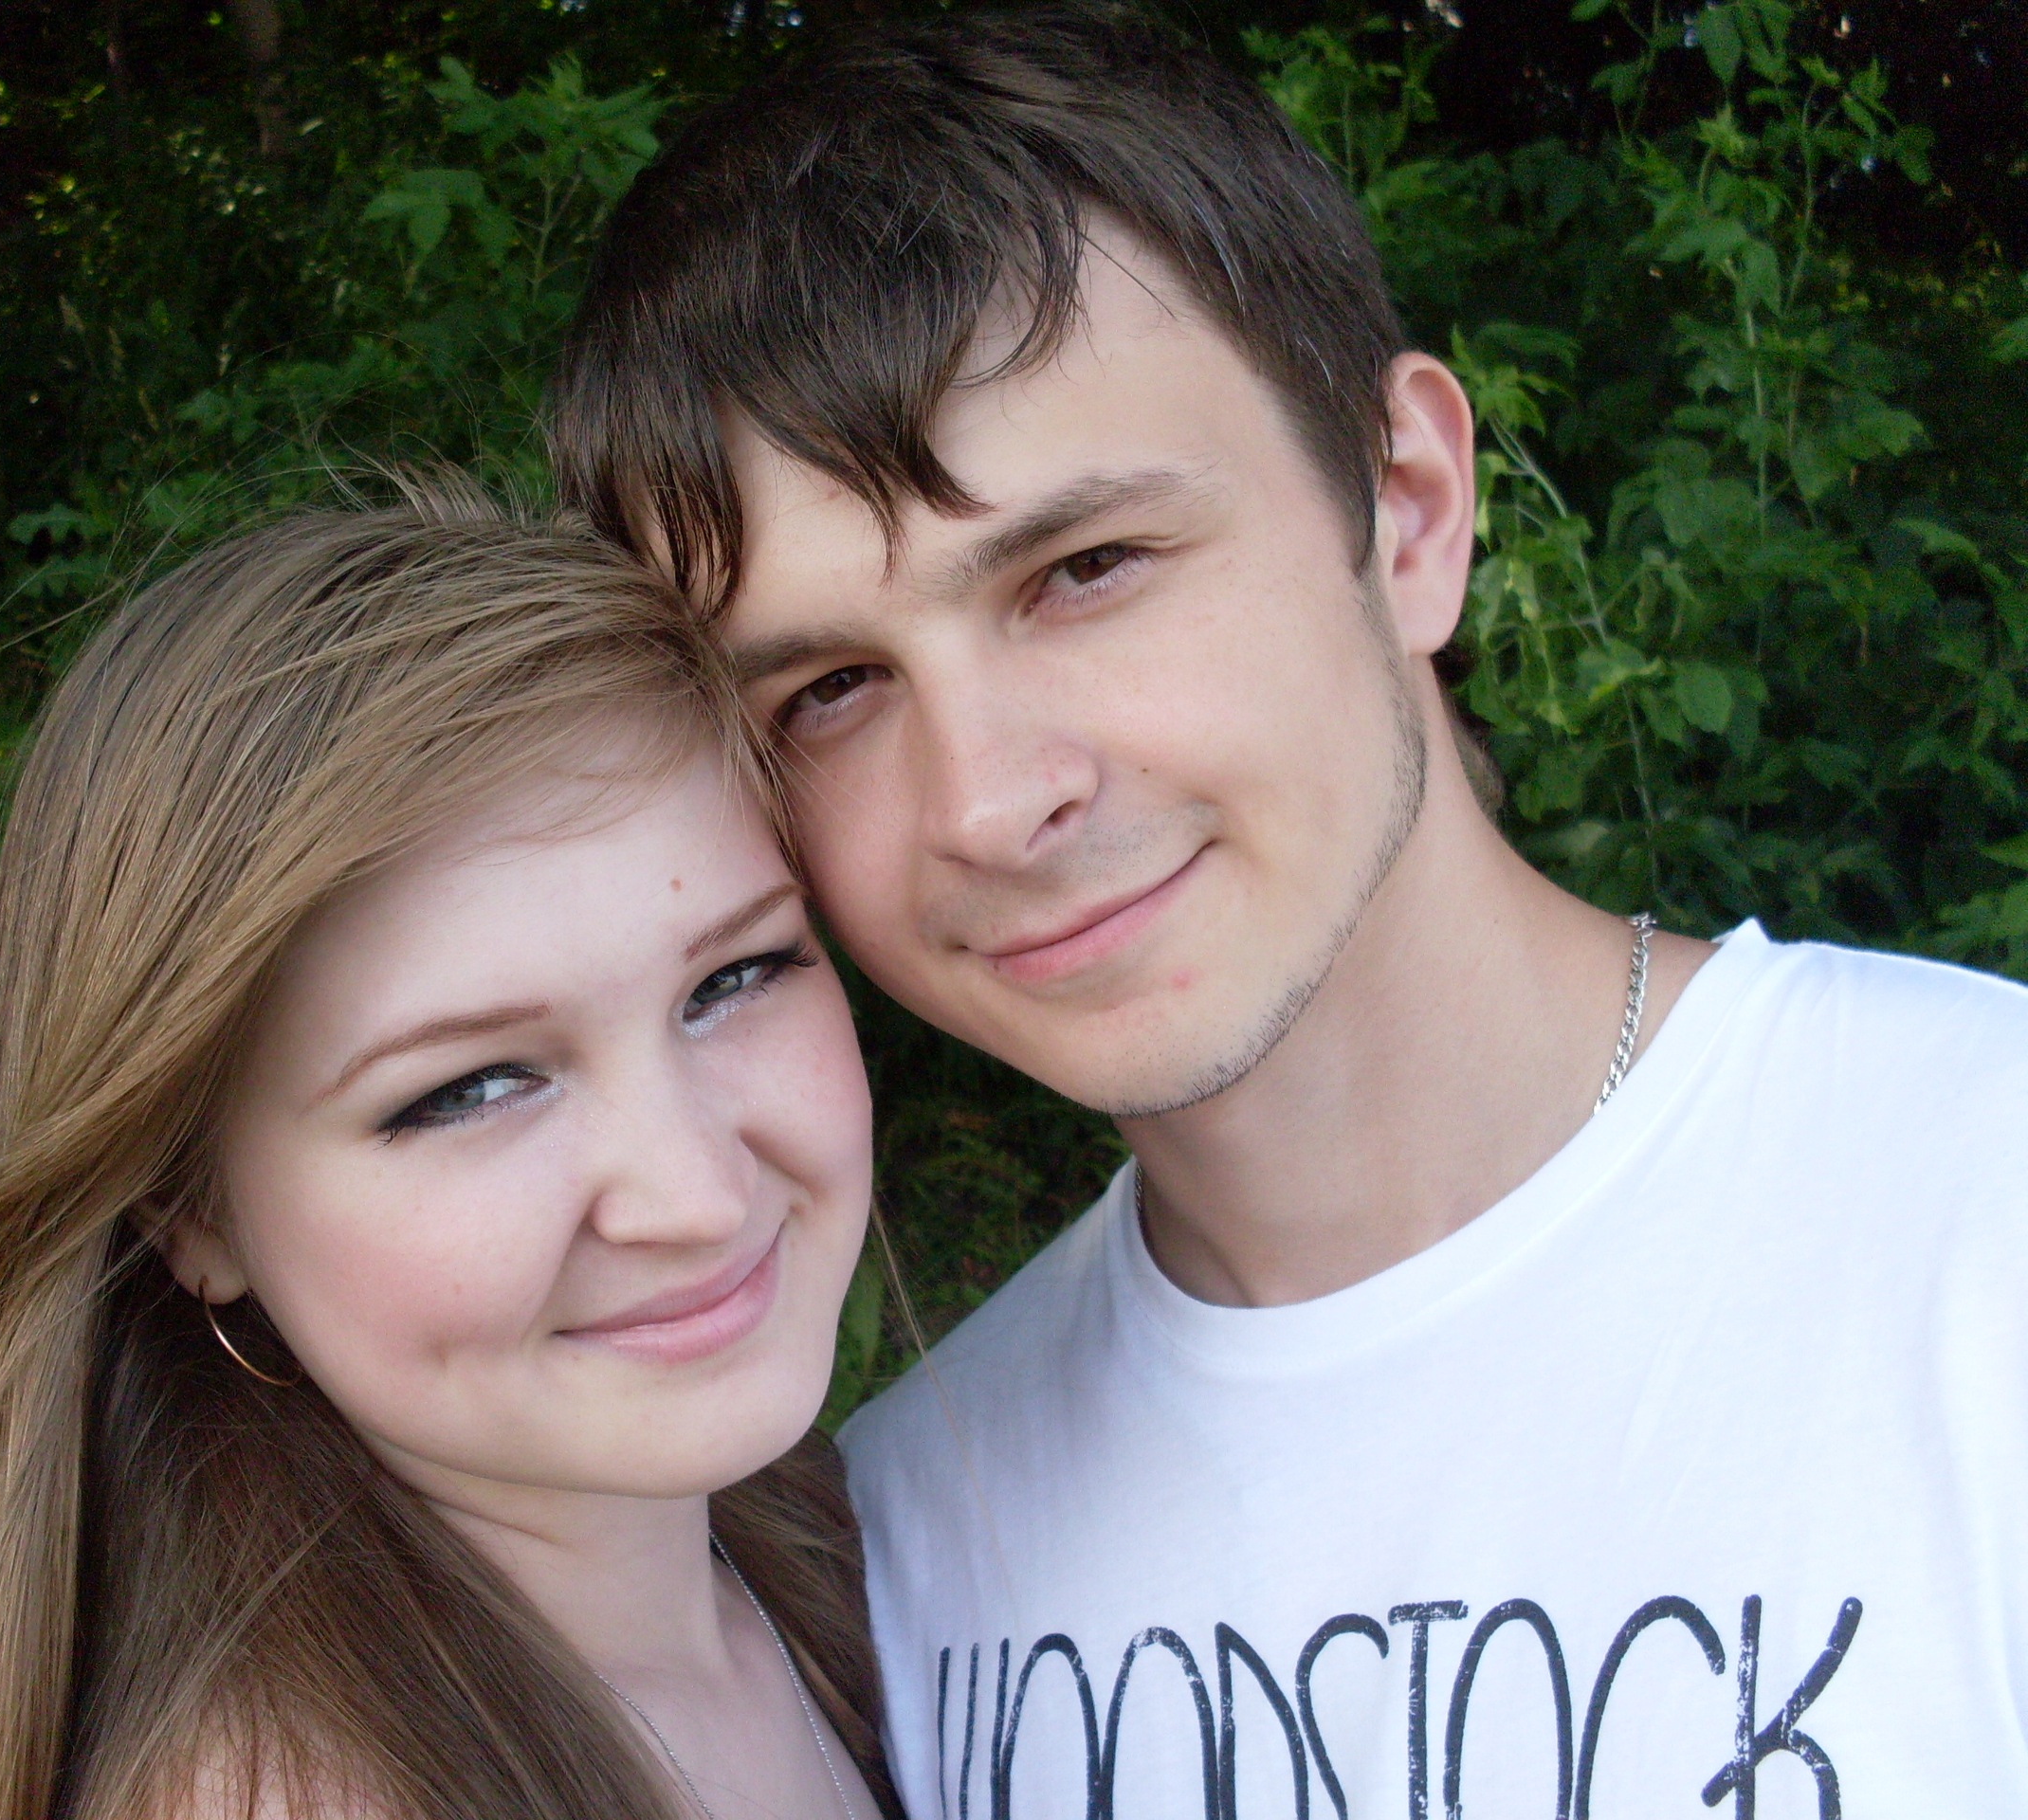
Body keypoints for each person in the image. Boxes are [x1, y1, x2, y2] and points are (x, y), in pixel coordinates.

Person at [553, 9, 2028, 1815]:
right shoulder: (904, 1541)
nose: (990, 803)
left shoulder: (1982, 1217)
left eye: (1086, 570)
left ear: (1408, 512)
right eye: (831, 690)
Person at [0, 482, 903, 1820]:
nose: (696, 1195)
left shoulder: (854, 1547)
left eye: (734, 977)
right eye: (470, 1089)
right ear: (191, 1213)